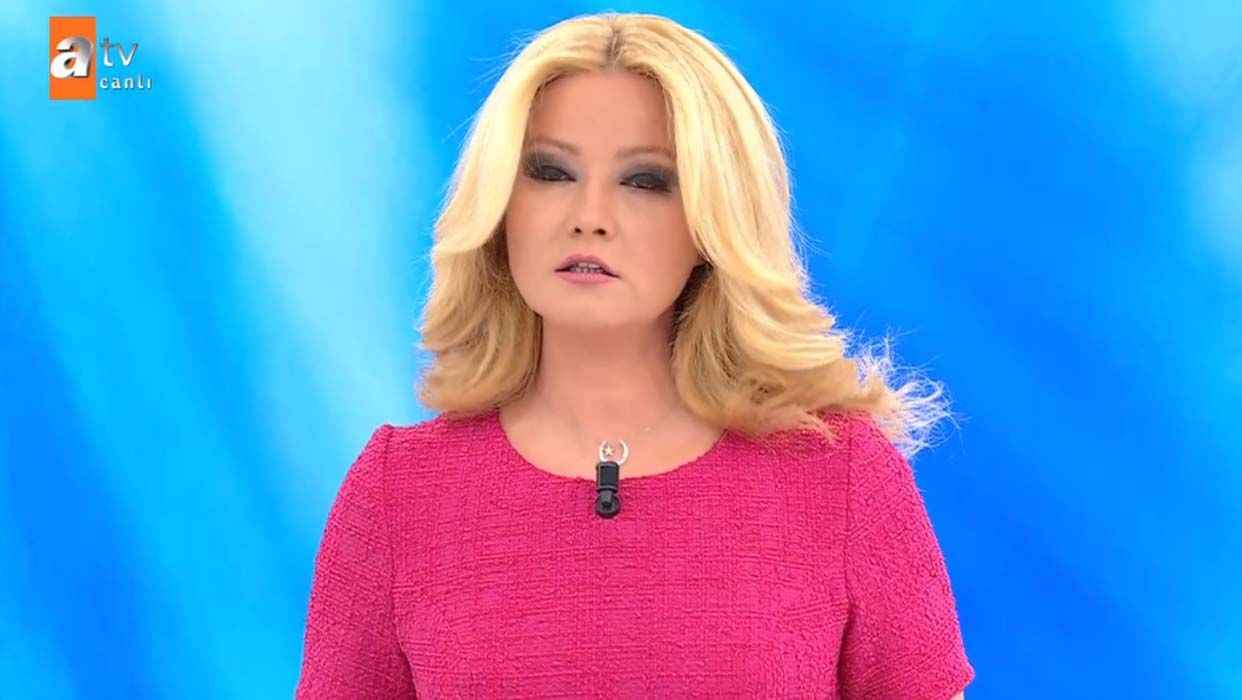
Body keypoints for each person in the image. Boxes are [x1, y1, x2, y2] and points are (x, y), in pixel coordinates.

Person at [295, 11, 974, 698]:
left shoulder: (842, 476)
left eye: (645, 181)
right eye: (550, 172)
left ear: (714, 219)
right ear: (499, 207)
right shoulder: (399, 492)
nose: (589, 216)